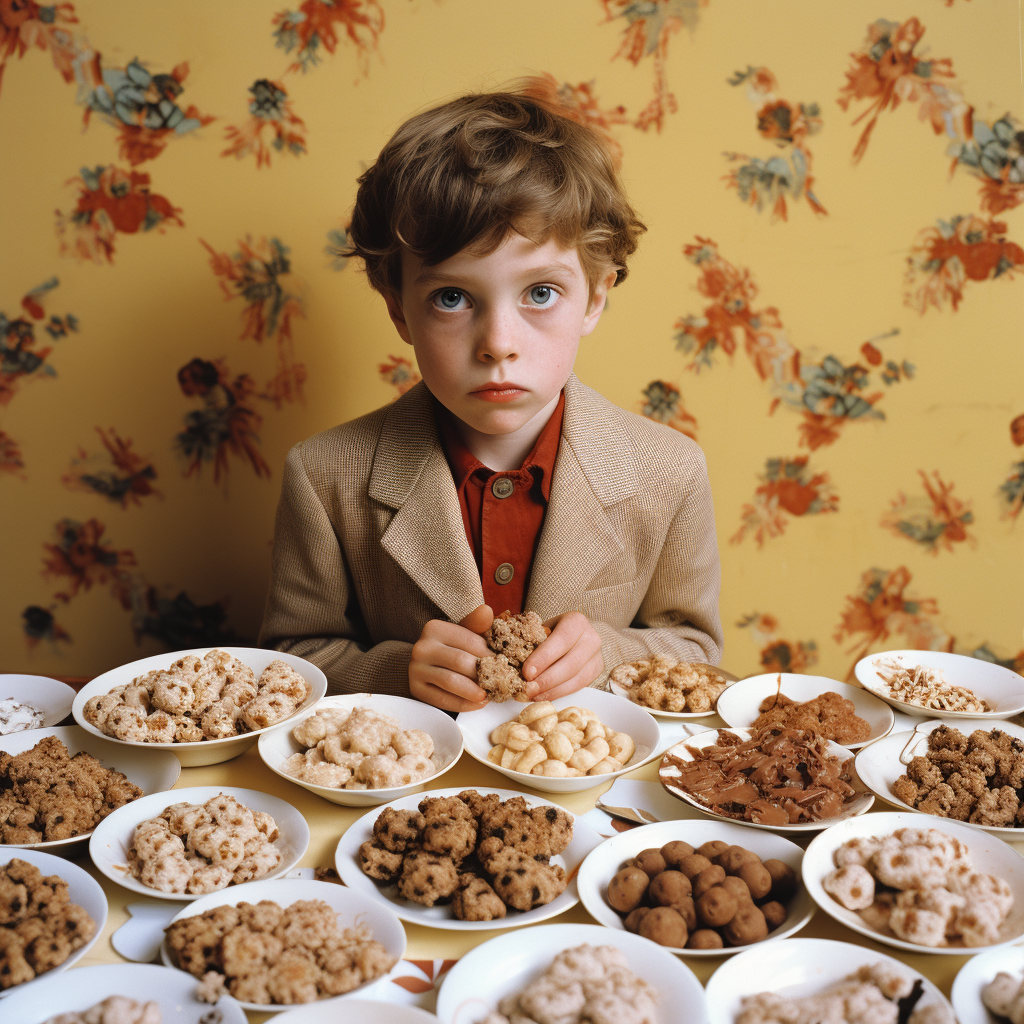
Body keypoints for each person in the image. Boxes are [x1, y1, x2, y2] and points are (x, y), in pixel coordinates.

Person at [259, 88, 723, 711]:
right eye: (452, 298)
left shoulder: (670, 470)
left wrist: (608, 656)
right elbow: (288, 660)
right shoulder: (323, 474)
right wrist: (397, 673)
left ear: (595, 296)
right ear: (398, 307)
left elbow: (696, 650)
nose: (498, 344)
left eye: (539, 294)